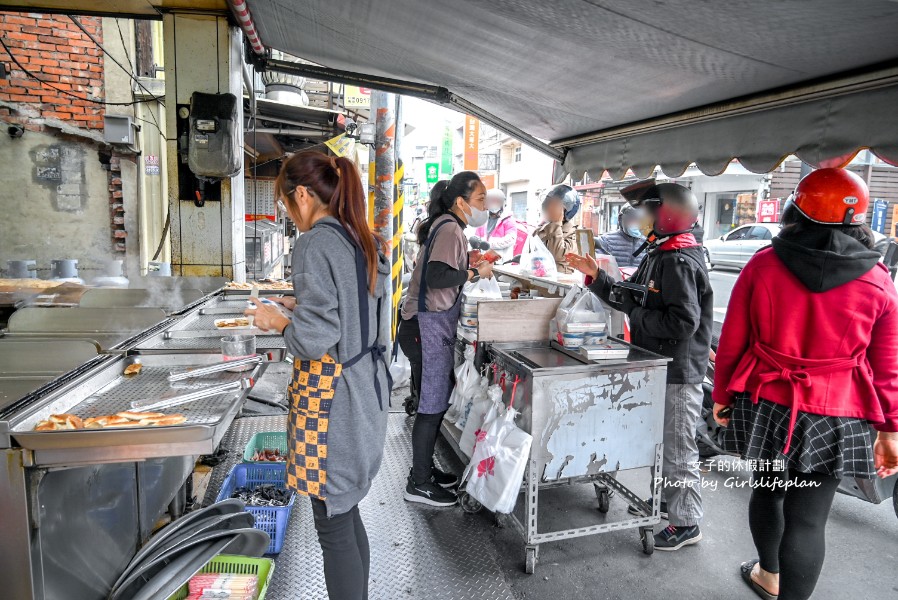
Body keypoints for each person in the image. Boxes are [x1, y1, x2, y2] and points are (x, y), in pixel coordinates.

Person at [711, 168, 898, 600]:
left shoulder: (763, 264)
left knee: (769, 492)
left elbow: (734, 340)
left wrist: (722, 397)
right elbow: (887, 366)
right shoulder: (878, 279)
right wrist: (890, 429)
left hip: (767, 405)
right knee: (809, 520)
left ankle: (768, 574)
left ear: (796, 208)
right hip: (837, 415)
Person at [246, 151, 391, 600]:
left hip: (332, 401)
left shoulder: (313, 243)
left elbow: (316, 338)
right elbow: (350, 312)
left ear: (304, 195)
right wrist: (298, 306)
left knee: (332, 528)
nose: (290, 214)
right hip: (366, 388)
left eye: (287, 204)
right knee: (345, 514)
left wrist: (279, 321)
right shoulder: (357, 236)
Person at [567, 179, 712, 551]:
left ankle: (686, 522)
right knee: (663, 442)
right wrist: (597, 277)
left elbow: (682, 323)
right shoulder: (659, 252)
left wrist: (635, 314)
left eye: (647, 211)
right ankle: (667, 504)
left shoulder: (677, 260)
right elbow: (635, 295)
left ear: (667, 216)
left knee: (679, 448)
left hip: (679, 371)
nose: (639, 218)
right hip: (660, 365)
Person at [397, 172, 493, 507]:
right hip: (426, 327)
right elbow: (438, 276)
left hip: (423, 326)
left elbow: (439, 268)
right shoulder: (451, 227)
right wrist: (472, 273)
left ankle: (425, 471)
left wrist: (469, 262)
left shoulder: (446, 226)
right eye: (480, 200)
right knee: (431, 407)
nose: (485, 207)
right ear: (461, 202)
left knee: (433, 403)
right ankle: (419, 482)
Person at [533, 184, 579, 273]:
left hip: (558, 284)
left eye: (555, 205)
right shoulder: (540, 230)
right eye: (548, 203)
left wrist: (556, 224)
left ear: (565, 209)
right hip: (537, 281)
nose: (549, 208)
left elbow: (558, 255)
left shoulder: (575, 233)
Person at [472, 189, 523, 262]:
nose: (494, 204)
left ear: (503, 203)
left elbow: (510, 239)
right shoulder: (483, 220)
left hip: (502, 262)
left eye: (497, 201)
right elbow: (477, 237)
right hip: (484, 260)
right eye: (491, 201)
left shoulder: (508, 220)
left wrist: (489, 244)